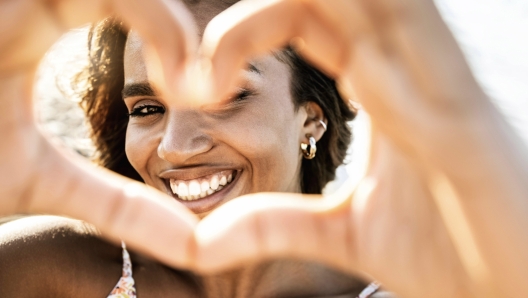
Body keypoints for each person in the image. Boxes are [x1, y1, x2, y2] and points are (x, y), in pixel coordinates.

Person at [1, 0, 528, 297]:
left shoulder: (426, 285)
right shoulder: (45, 268)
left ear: (311, 120)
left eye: (228, 97)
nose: (176, 146)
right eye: (147, 109)